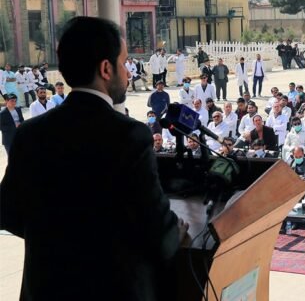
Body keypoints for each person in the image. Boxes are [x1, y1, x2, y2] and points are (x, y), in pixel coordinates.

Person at [0, 17, 185, 299]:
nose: (128, 72)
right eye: (123, 62)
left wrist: (57, 240)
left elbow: (8, 213)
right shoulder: (129, 136)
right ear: (106, 69)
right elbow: (156, 230)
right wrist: (177, 233)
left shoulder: (30, 133)